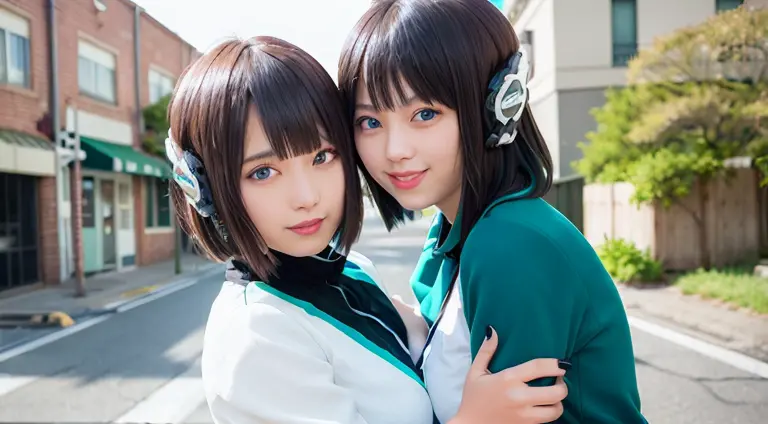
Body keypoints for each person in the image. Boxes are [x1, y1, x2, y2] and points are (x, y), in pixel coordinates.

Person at [165, 36, 567, 424]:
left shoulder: (349, 269)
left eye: (322, 156)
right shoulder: (256, 337)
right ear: (202, 187)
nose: (306, 196)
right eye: (263, 172)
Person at [339, 0, 649, 423]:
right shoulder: (453, 236)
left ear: (498, 107)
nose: (395, 151)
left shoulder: (510, 244)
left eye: (424, 114)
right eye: (370, 122)